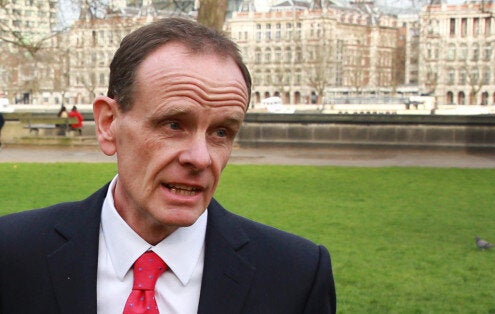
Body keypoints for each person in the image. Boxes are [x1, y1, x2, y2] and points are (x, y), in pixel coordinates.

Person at [0, 17, 335, 313]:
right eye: (174, 125)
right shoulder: (12, 253)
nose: (201, 158)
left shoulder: (297, 274)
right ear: (107, 123)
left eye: (221, 132)